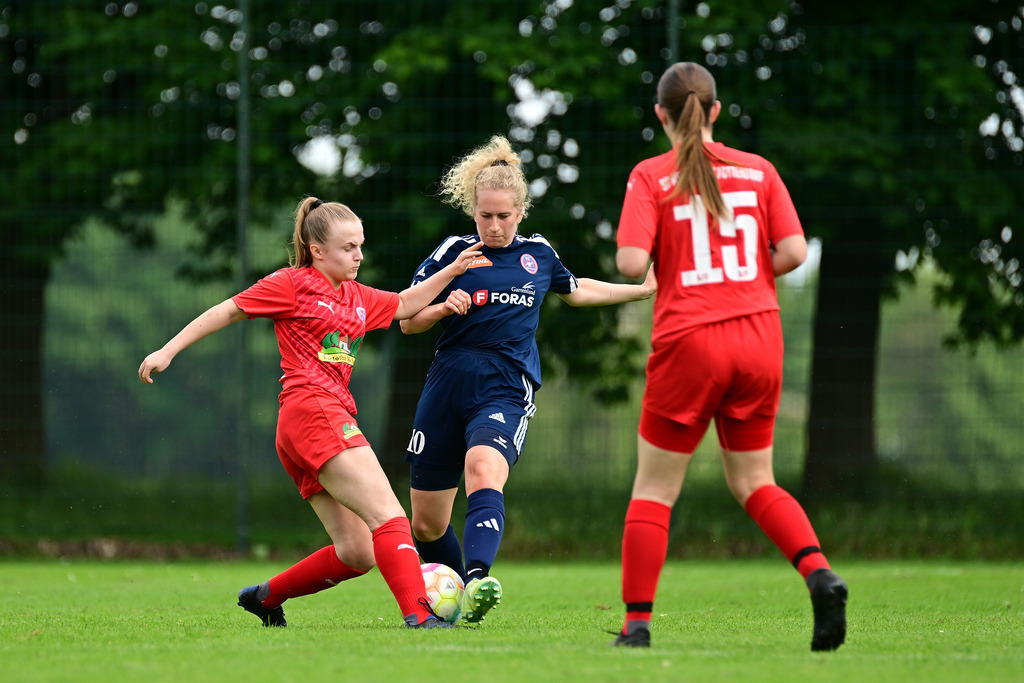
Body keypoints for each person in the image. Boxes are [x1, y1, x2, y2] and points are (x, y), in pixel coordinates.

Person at [138, 197, 482, 629]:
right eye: (348, 247)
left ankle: (265, 597)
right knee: (390, 515)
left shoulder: (357, 296)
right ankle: (420, 614)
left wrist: (451, 272)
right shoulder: (292, 284)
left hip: (308, 423)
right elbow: (228, 310)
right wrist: (167, 351)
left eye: (360, 245)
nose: (359, 256)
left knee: (357, 551)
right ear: (317, 250)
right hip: (313, 411)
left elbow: (403, 304)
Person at [612, 62, 847, 651]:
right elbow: (793, 251)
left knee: (655, 488)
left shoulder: (650, 174)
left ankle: (636, 626)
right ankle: (820, 574)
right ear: (715, 110)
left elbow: (631, 264)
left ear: (662, 115)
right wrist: (740, 278)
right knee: (754, 481)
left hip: (690, 341)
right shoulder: (759, 170)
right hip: (759, 337)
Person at [400, 135, 657, 624]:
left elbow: (576, 291)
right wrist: (443, 306)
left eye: (504, 216)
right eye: (485, 216)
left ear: (521, 212)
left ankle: (477, 578)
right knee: (427, 524)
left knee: (483, 469)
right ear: (473, 211)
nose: (494, 226)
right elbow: (408, 321)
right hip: (446, 385)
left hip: (504, 386)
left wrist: (640, 291)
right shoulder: (453, 252)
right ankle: (458, 599)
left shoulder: (538, 255)